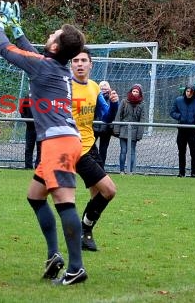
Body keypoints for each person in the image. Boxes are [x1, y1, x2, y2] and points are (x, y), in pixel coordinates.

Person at [0, 0, 87, 285]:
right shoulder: (52, 66)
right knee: (35, 196)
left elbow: (4, 50)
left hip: (59, 143)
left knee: (64, 202)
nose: (49, 36)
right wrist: (18, 29)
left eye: (53, 35)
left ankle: (76, 268)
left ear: (56, 48)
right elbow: (35, 56)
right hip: (59, 141)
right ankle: (53, 255)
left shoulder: (45, 68)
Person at [71, 50, 119, 252]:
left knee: (96, 194)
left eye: (83, 60)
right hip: (75, 149)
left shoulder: (93, 87)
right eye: (75, 60)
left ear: (91, 64)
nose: (79, 64)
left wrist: (115, 104)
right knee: (109, 190)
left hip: (91, 146)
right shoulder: (65, 86)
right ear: (71, 65)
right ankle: (84, 228)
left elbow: (106, 118)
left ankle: (85, 234)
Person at [169, 84, 195, 177]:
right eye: (187, 91)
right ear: (185, 91)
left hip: (192, 130)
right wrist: (180, 117)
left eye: (190, 91)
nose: (188, 93)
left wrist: (194, 119)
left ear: (193, 92)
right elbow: (172, 112)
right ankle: (181, 172)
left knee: (193, 152)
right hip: (181, 129)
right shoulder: (178, 100)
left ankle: (193, 173)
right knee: (181, 151)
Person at [113, 84, 146, 174]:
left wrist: (139, 134)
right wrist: (116, 130)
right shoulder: (124, 102)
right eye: (133, 91)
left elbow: (142, 120)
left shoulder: (141, 104)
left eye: (137, 92)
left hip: (134, 132)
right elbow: (118, 115)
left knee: (132, 151)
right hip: (123, 130)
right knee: (123, 150)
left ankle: (130, 171)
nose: (135, 93)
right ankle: (122, 170)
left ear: (140, 93)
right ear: (131, 91)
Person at [93, 81, 115, 167]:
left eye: (105, 89)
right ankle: (93, 166)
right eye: (102, 89)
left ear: (109, 89)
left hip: (106, 128)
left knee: (103, 149)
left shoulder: (112, 98)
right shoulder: (95, 97)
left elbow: (113, 111)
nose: (104, 90)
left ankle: (101, 167)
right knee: (91, 147)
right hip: (95, 127)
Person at [19, 93, 41, 169]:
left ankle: (38, 167)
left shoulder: (44, 97)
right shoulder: (28, 97)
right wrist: (26, 119)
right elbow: (22, 110)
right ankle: (28, 166)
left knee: (40, 148)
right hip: (30, 128)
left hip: (40, 128)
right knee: (29, 148)